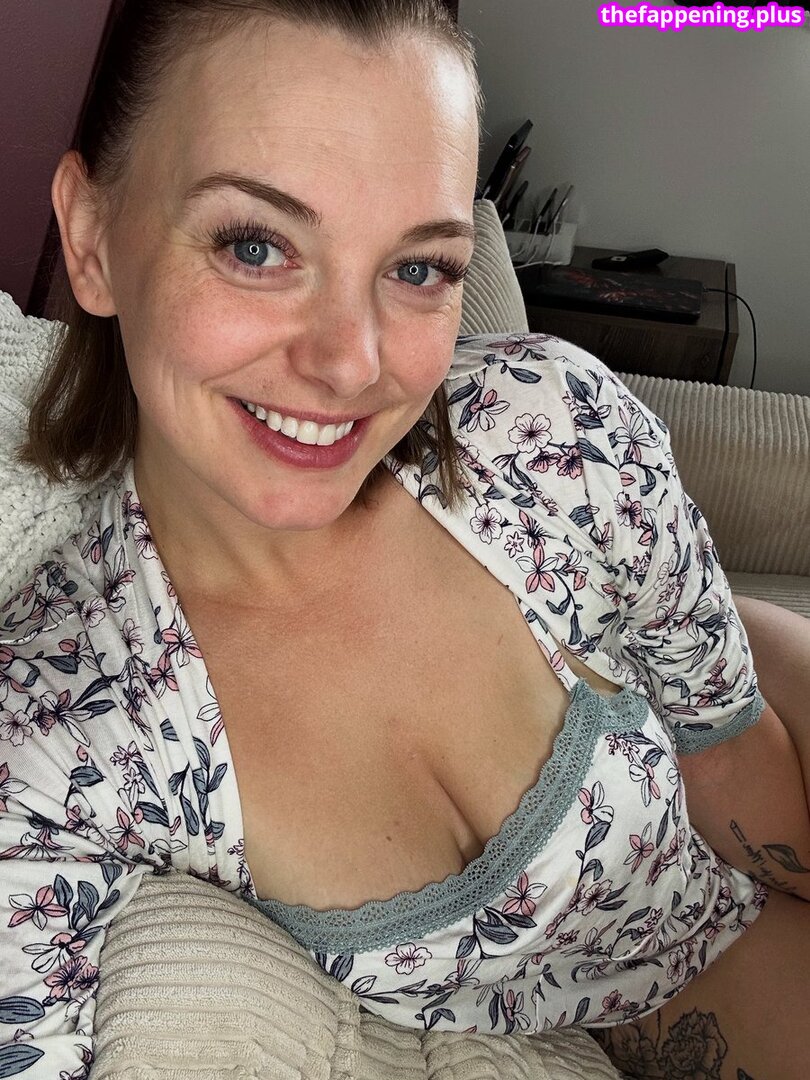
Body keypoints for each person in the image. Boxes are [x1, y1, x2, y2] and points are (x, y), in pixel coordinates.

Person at [1, 1, 809, 1076]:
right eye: (256, 246)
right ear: (92, 238)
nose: (352, 364)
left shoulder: (552, 430)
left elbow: (734, 753)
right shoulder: (66, 728)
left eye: (419, 268)